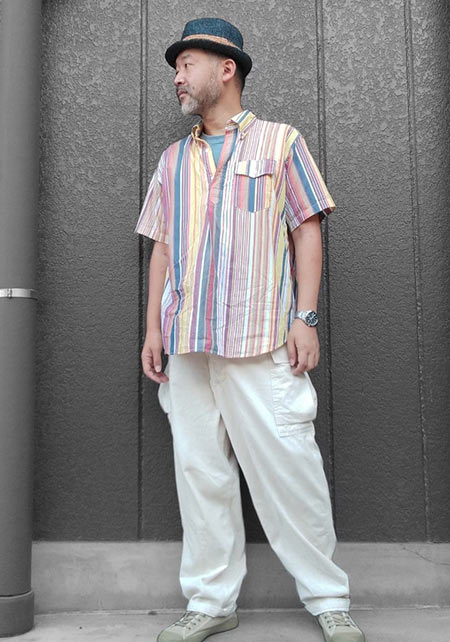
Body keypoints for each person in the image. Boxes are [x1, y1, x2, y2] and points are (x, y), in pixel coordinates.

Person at [134, 17, 365, 642]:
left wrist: (306, 317)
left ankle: (328, 598)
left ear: (226, 68)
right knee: (200, 475)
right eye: (176, 68)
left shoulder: (280, 142)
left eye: (187, 64)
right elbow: (161, 248)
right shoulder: (173, 160)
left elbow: (306, 228)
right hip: (187, 343)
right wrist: (152, 329)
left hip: (261, 339)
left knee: (290, 470)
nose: (178, 77)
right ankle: (211, 601)